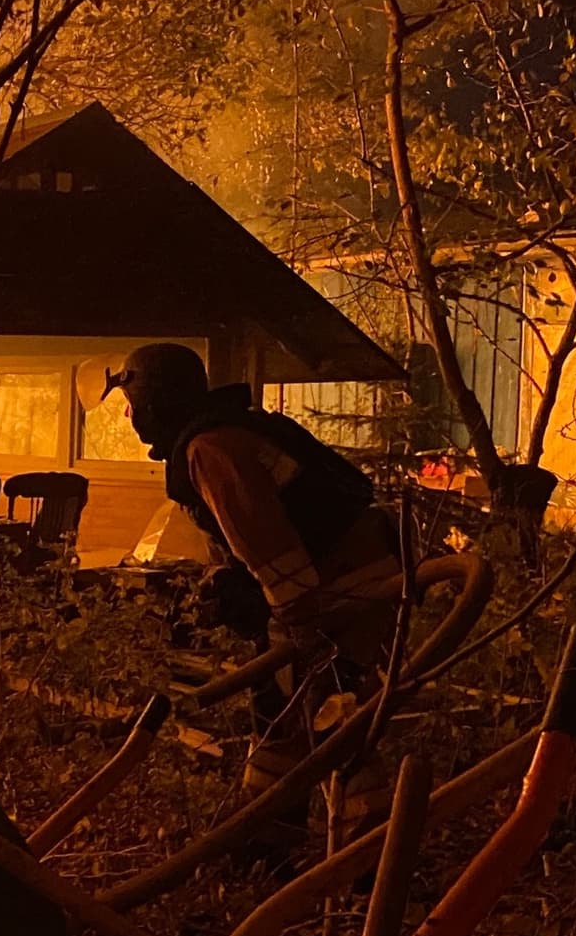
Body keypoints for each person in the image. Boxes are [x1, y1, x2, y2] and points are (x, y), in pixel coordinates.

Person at [109, 342, 401, 830]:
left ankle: (366, 850)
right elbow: (243, 545)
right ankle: (267, 834)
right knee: (282, 712)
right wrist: (230, 586)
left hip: (340, 595)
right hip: (333, 588)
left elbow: (271, 546)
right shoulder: (222, 436)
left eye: (133, 409)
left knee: (331, 712)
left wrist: (295, 626)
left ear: (157, 406)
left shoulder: (212, 449)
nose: (132, 421)